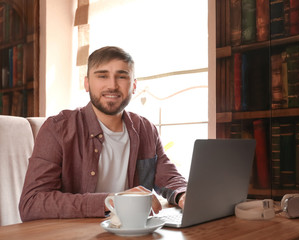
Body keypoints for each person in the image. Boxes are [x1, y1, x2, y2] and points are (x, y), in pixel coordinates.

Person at [19, 46, 187, 222]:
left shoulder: (146, 129)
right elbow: (32, 203)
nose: (112, 85)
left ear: (134, 85)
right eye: (102, 76)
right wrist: (113, 201)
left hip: (132, 232)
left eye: (122, 76)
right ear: (87, 83)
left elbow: (169, 177)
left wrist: (184, 195)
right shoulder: (57, 128)